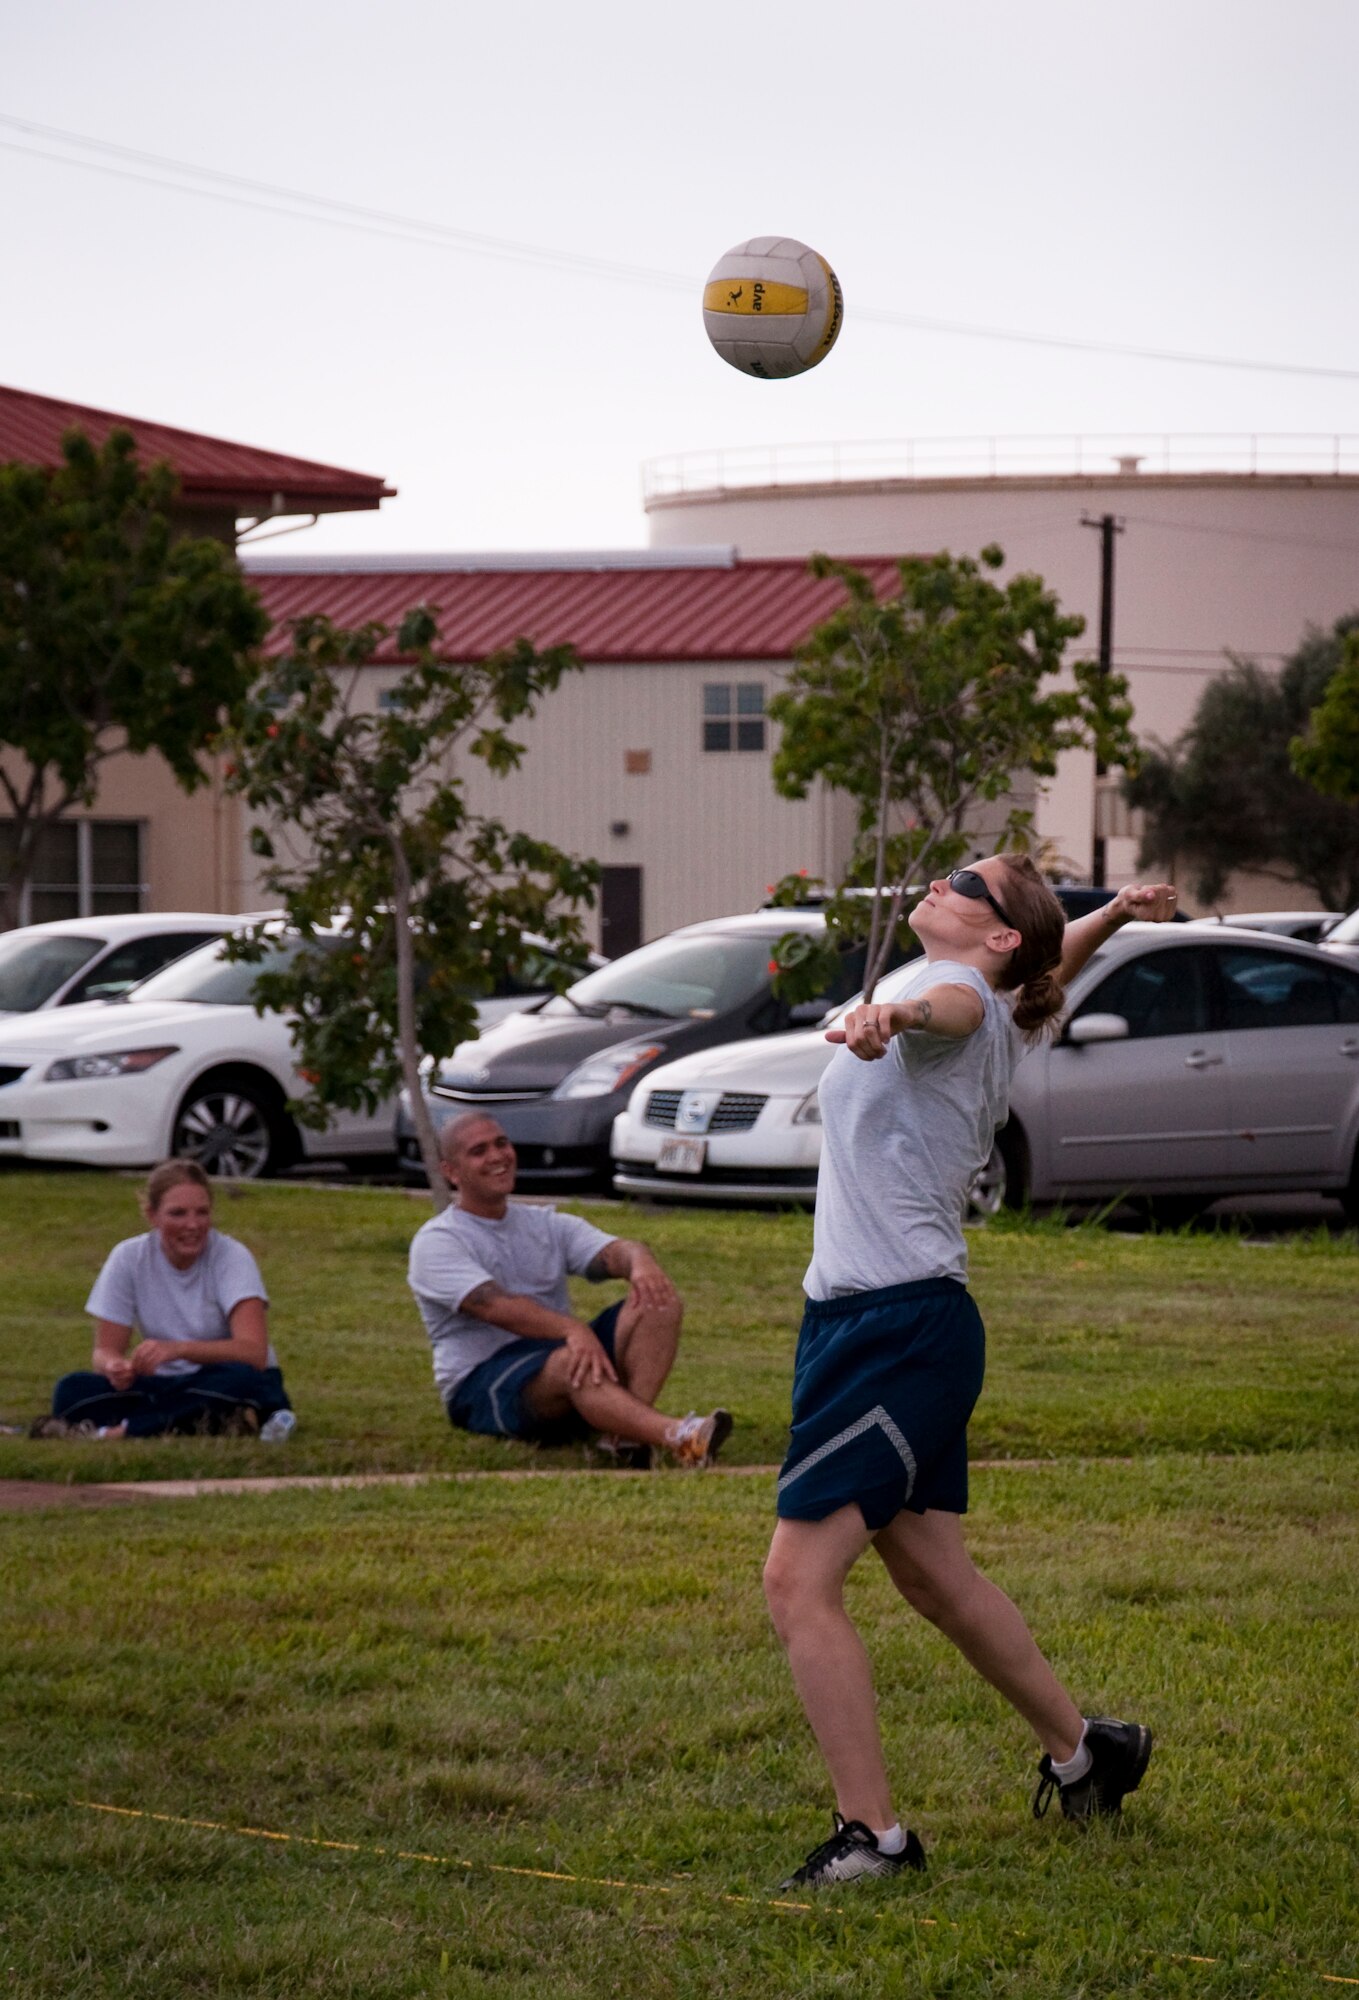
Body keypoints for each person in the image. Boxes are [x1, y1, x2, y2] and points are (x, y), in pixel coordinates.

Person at [763, 858, 1177, 1889]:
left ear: (992, 937)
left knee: (796, 1580)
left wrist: (891, 1022)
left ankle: (875, 1838)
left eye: (965, 881)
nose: (942, 880)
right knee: (932, 1573)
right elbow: (1029, 965)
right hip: (881, 1318)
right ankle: (1091, 1751)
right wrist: (1112, 914)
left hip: (893, 1329)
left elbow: (950, 1005)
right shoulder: (1000, 994)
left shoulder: (948, 1005)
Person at [408, 1111, 731, 1467]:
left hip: (559, 1357)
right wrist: (571, 1329)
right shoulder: (438, 1241)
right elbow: (493, 1305)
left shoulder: (545, 1223)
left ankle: (624, 1439)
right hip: (482, 1383)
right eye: (478, 1151)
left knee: (658, 1301)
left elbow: (614, 1252)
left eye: (501, 1143)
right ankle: (680, 1436)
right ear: (451, 1172)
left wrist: (641, 1262)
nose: (497, 1156)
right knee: (571, 1360)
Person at [36, 1159, 291, 1440]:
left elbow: (253, 1352)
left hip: (223, 1378)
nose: (192, 1225)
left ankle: (123, 1431)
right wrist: (115, 1367)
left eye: (202, 1213)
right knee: (71, 1391)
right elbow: (105, 1351)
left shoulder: (232, 1257)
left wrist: (177, 1349)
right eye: (178, 1214)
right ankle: (202, 1421)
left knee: (241, 1382)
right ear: (152, 1215)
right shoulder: (128, 1258)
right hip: (162, 1384)